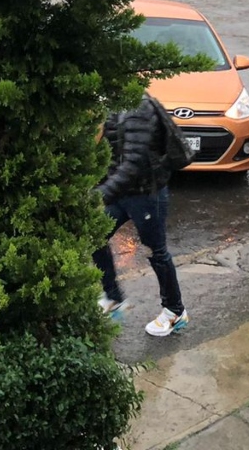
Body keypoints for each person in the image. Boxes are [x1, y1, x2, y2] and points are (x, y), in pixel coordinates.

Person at [93, 94, 190, 337]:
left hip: (147, 194)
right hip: (121, 192)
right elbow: (113, 155)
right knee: (94, 235)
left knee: (156, 252)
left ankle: (175, 311)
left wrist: (100, 194)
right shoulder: (112, 102)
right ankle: (113, 297)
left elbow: (134, 163)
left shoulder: (138, 105)